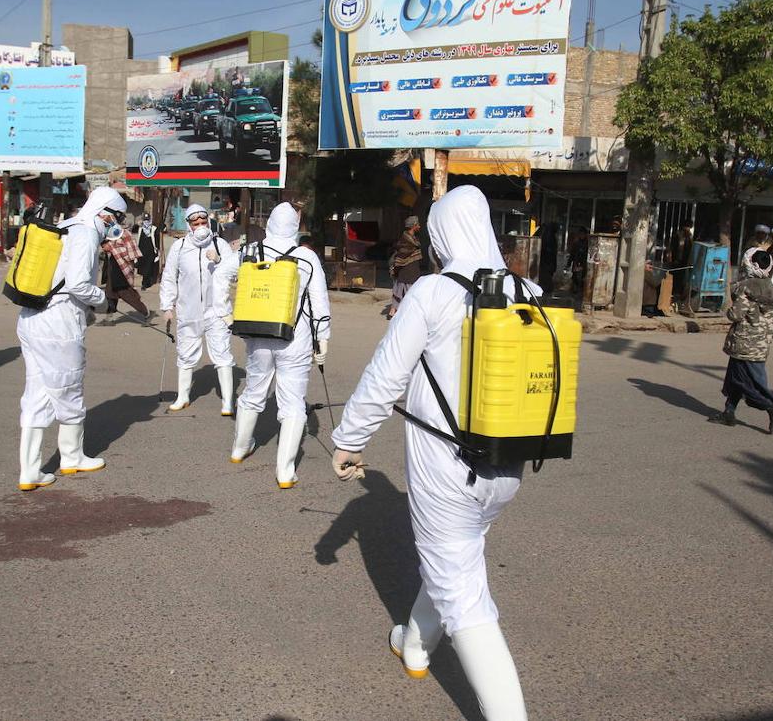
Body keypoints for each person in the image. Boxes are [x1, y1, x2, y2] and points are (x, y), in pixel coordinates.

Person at [327, 185, 534, 721]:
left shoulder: (433, 292)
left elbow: (384, 376)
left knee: (464, 593)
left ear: (440, 234)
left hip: (446, 464)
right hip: (508, 463)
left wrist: (349, 440)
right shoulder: (528, 290)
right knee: (457, 555)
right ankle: (415, 645)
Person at [214, 202, 331, 489]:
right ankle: (285, 471)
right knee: (292, 404)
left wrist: (225, 313)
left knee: (254, 392)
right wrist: (322, 337)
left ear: (268, 225)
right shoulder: (307, 256)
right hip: (295, 337)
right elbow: (319, 301)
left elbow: (220, 276)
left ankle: (239, 449)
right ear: (296, 226)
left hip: (257, 335)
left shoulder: (250, 250)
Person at [16, 187, 126, 491]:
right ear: (106, 212)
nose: (116, 225)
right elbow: (78, 284)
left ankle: (30, 471)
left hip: (31, 315)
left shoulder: (65, 225)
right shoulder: (88, 233)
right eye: (117, 217)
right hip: (59, 322)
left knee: (37, 394)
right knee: (69, 387)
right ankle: (72, 456)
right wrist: (103, 300)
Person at [159, 204, 236, 415]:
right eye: (196, 223)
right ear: (189, 225)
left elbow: (236, 274)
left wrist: (220, 261)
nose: (201, 226)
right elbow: (169, 276)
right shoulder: (180, 247)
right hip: (189, 311)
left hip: (217, 311)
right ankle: (182, 396)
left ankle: (228, 400)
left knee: (222, 354)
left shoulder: (220, 244)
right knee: (185, 354)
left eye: (204, 222)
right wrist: (168, 305)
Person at [708, 250, 773, 432]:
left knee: (746, 382)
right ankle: (729, 412)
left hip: (744, 342)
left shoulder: (747, 287)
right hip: (760, 343)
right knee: (735, 380)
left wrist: (727, 308)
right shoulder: (771, 288)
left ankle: (772, 408)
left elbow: (736, 314)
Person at [99, 219, 149, 325]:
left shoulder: (123, 234)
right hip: (113, 266)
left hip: (121, 269)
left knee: (125, 293)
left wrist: (111, 248)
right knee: (110, 293)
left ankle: (146, 313)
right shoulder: (110, 230)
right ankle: (110, 318)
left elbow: (126, 252)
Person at [388, 215, 423, 319]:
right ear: (413, 226)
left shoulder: (413, 239)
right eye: (418, 224)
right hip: (406, 269)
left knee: (402, 289)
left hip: (411, 268)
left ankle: (394, 310)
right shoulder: (406, 240)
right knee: (404, 289)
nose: (420, 227)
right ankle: (395, 311)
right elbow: (402, 254)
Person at [666, 218, 695, 305]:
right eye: (687, 227)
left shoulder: (689, 236)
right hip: (676, 261)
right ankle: (672, 298)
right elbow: (672, 248)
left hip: (684, 262)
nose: (688, 229)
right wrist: (671, 259)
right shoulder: (678, 235)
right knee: (674, 280)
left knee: (681, 280)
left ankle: (678, 298)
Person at [136, 212, 161, 289]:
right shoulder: (140, 229)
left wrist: (157, 251)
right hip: (142, 251)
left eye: (147, 220)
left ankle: (145, 283)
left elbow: (157, 241)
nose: (146, 222)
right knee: (143, 268)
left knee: (149, 267)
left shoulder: (154, 229)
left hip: (150, 252)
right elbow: (138, 238)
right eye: (145, 220)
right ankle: (146, 282)